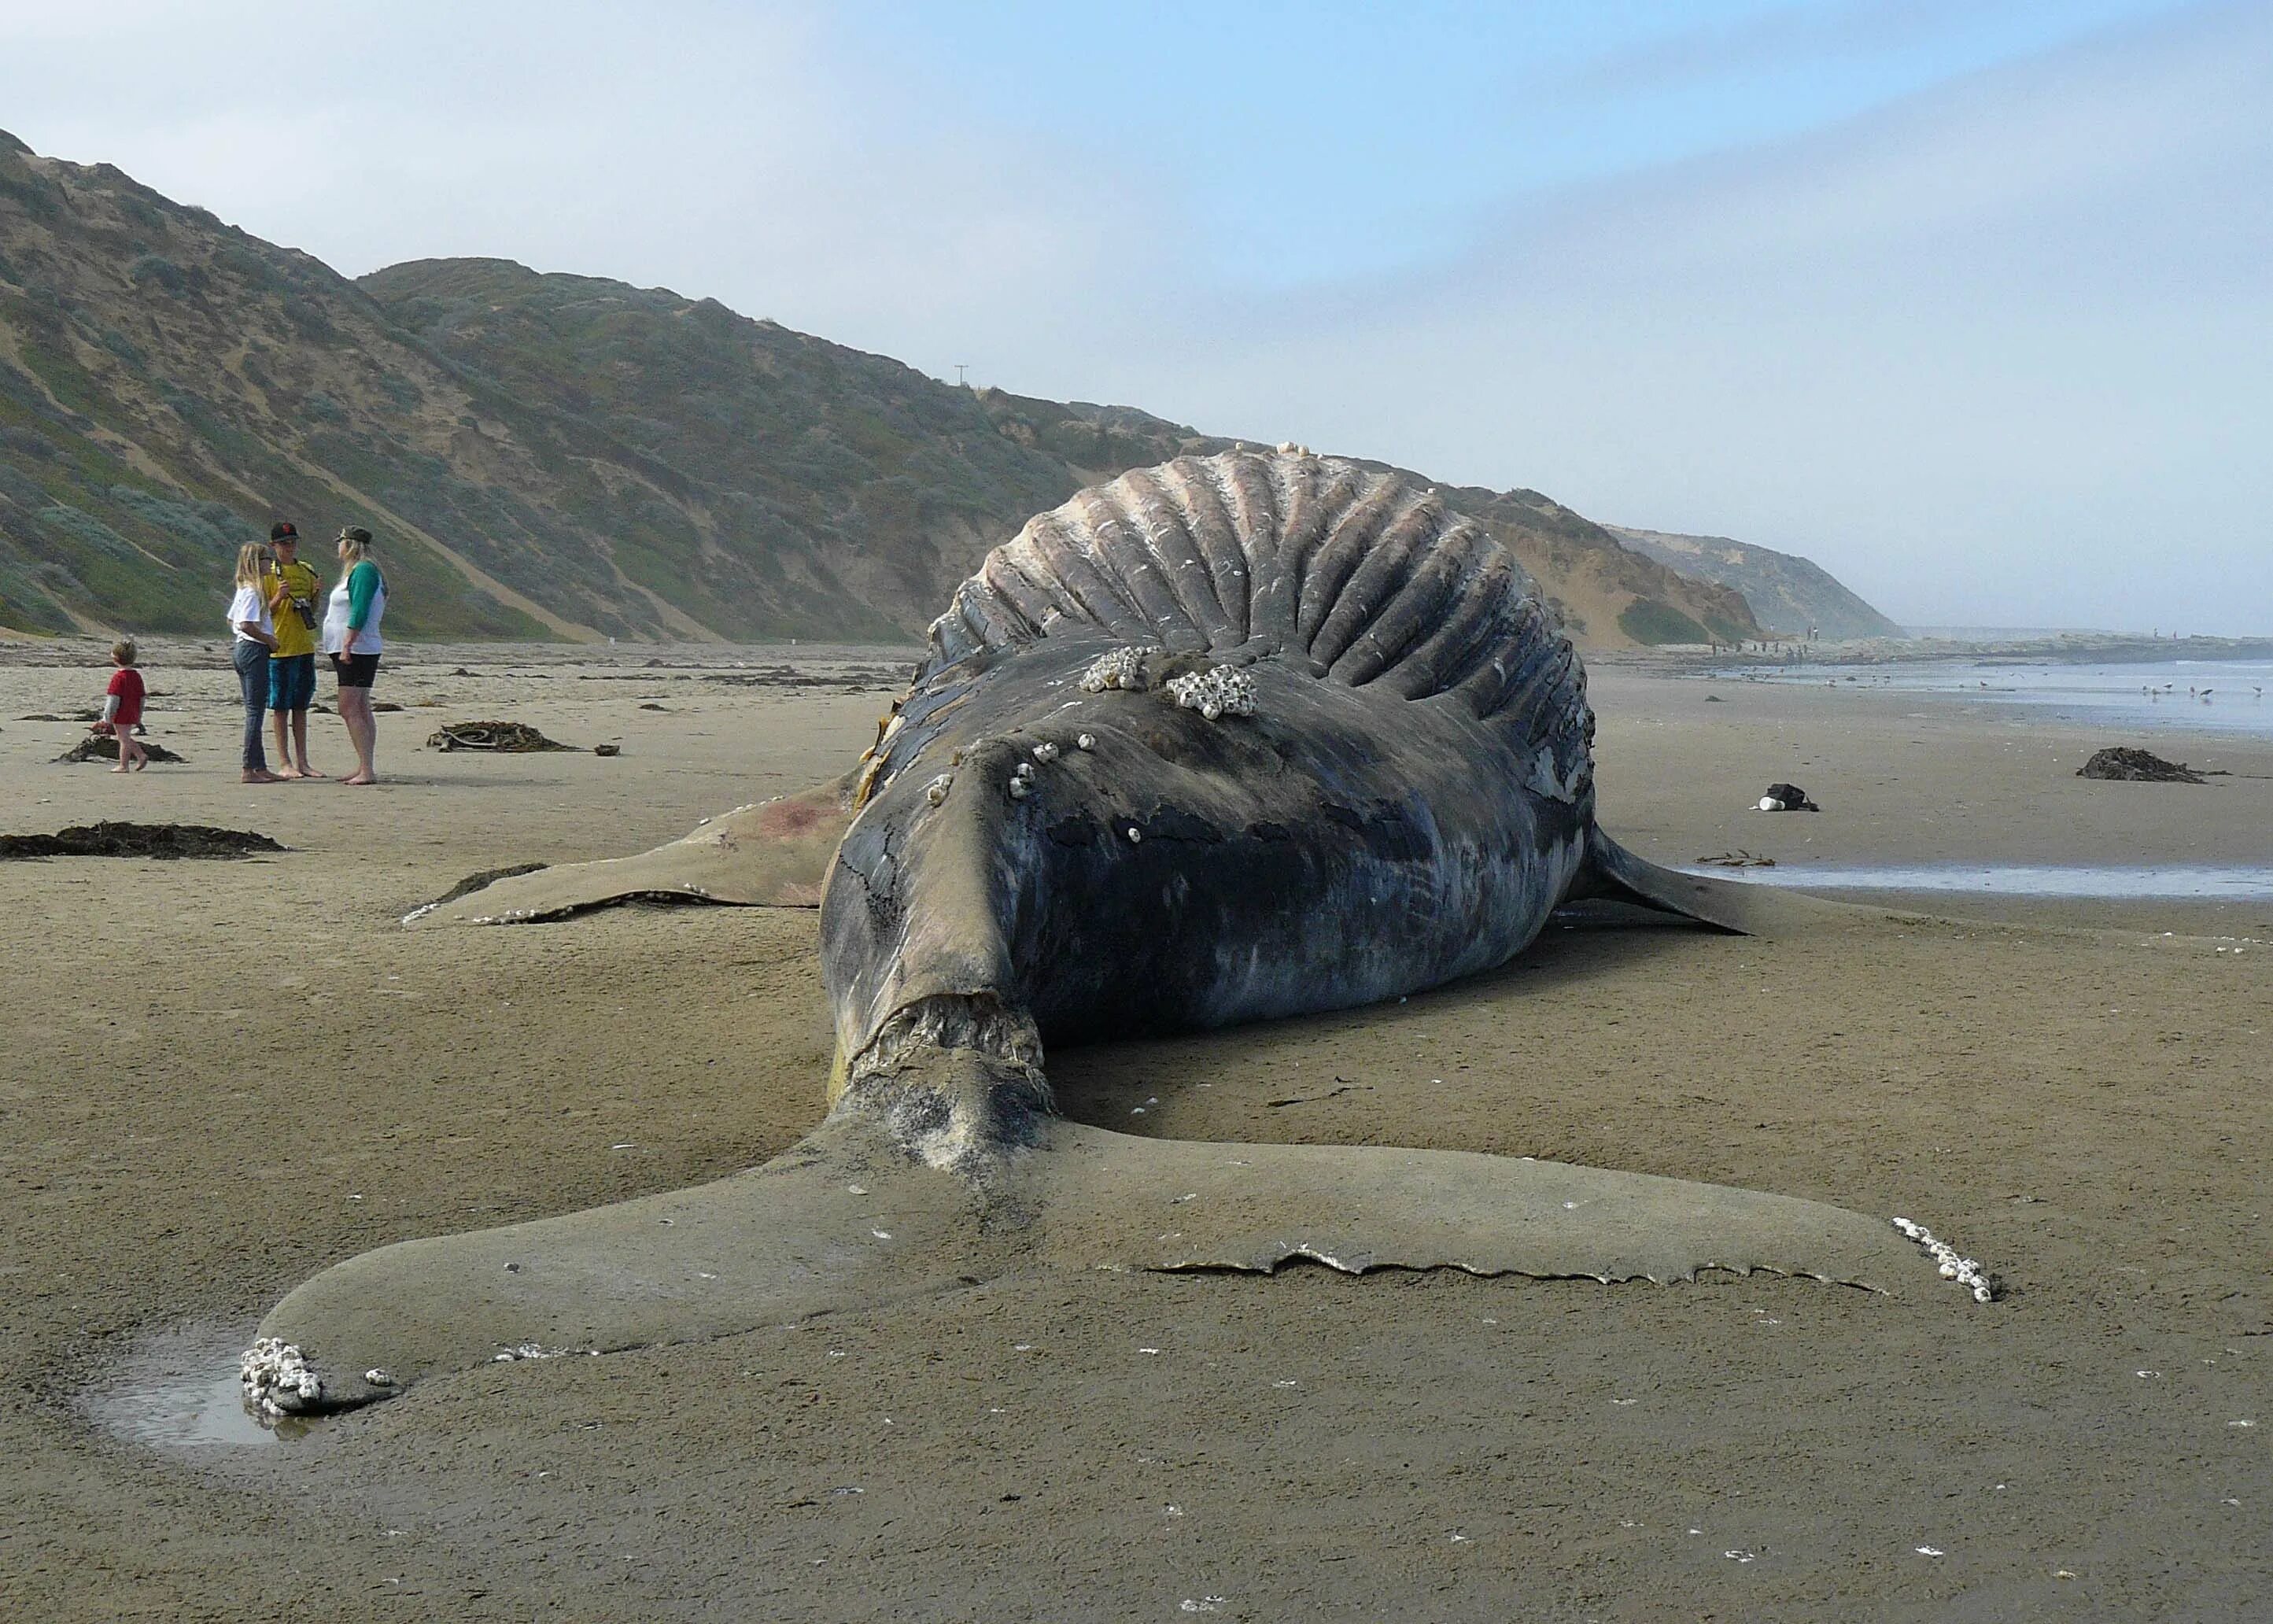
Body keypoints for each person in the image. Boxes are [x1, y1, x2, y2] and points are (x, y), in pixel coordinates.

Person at [320, 525, 386, 785]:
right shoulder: (360, 572)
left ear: (350, 545)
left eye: (341, 542)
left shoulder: (364, 571)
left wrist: (348, 643)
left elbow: (359, 609)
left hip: (358, 649)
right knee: (359, 706)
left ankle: (366, 768)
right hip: (358, 647)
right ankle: (364, 765)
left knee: (349, 706)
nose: (338, 547)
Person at [261, 520, 324, 778]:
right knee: (280, 707)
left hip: (304, 646)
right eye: (284, 543)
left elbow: (312, 610)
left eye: (293, 543)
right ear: (274, 546)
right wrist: (278, 597)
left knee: (301, 705)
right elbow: (263, 612)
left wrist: (317, 595)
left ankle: (303, 762)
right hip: (279, 649)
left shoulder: (307, 570)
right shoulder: (268, 574)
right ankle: (284, 761)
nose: (290, 547)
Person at [228, 541, 283, 784]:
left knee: (255, 709)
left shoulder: (244, 589)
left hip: (243, 649)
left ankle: (259, 766)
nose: (270, 563)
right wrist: (268, 639)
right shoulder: (252, 590)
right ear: (255, 562)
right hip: (253, 651)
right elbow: (245, 624)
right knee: (255, 711)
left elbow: (231, 618)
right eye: (265, 559)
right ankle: (248, 768)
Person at [101, 638, 148, 773]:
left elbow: (113, 700)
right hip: (133, 711)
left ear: (115, 658)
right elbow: (142, 698)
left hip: (121, 712)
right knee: (124, 737)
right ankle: (140, 755)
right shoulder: (136, 676)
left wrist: (107, 718)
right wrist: (139, 715)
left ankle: (124, 765)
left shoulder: (119, 678)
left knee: (123, 739)